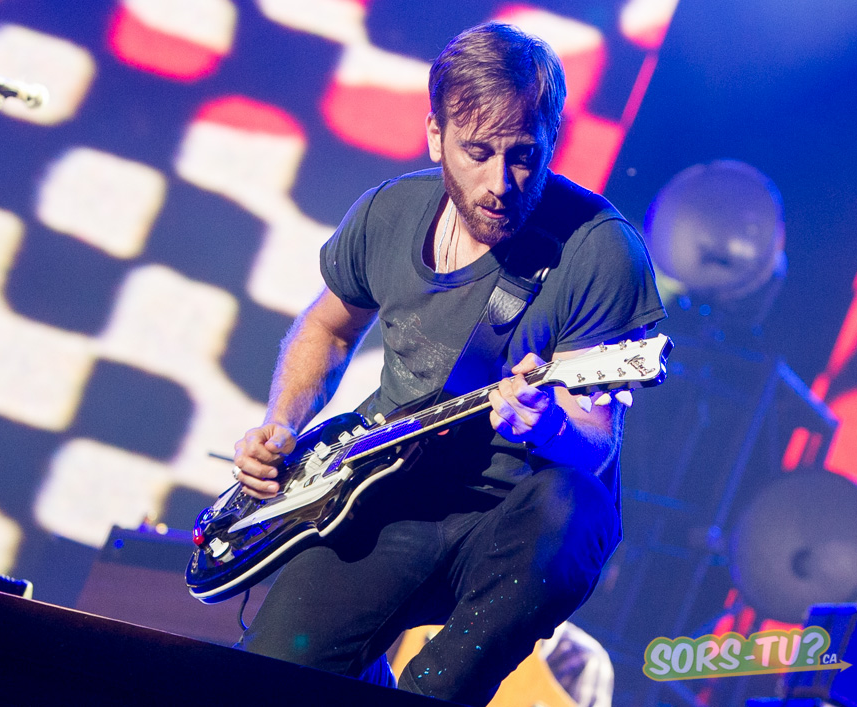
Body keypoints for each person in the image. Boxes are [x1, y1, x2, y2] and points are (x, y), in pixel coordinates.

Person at [230, 22, 665, 706]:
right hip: (388, 495)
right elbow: (328, 327)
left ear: (552, 140)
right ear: (435, 135)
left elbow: (596, 442)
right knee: (272, 675)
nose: (500, 183)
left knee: (573, 507)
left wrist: (548, 424)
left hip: (513, 522)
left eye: (524, 155)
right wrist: (282, 424)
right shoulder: (389, 212)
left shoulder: (600, 251)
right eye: (477, 152)